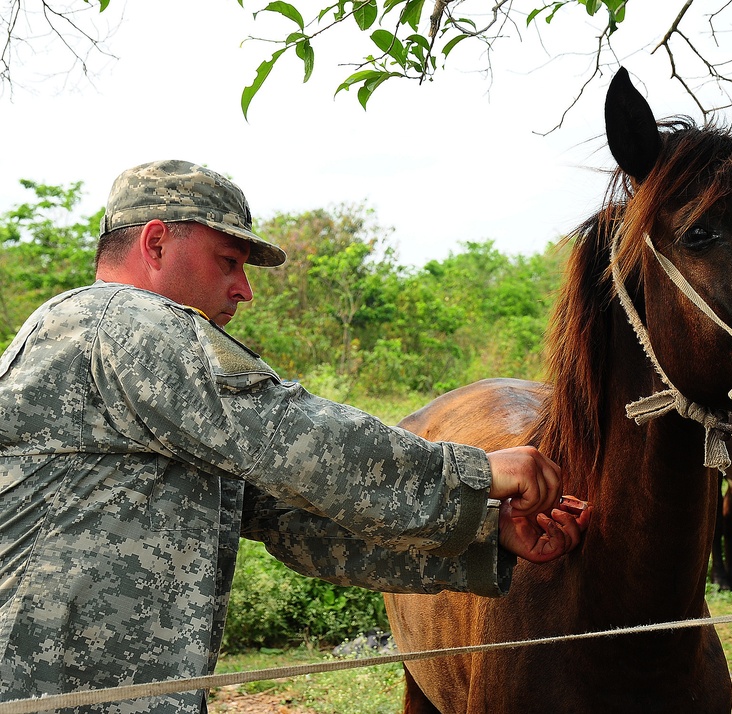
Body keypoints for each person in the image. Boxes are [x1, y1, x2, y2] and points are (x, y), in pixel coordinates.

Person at [0, 159, 589, 712]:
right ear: (155, 243)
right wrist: (475, 474)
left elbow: (295, 519)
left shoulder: (148, 382)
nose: (243, 289)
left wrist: (488, 537)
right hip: (47, 689)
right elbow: (294, 440)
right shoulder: (115, 322)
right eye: (228, 261)